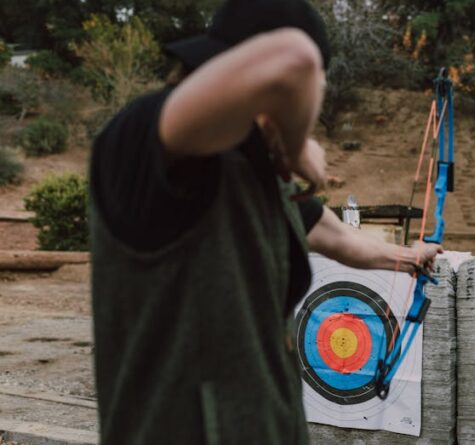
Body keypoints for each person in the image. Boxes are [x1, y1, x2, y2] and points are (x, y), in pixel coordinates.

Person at [89, 0, 441, 443]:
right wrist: (297, 149)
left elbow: (336, 236)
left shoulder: (255, 174)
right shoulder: (140, 138)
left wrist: (410, 257)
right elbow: (295, 59)